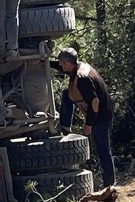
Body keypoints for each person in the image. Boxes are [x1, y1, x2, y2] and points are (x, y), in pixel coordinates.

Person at [56, 48, 116, 188]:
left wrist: (89, 124)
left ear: (67, 64)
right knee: (67, 95)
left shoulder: (82, 78)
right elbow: (60, 66)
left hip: (100, 116)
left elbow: (94, 102)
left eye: (61, 64)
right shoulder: (79, 66)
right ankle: (65, 125)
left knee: (103, 149)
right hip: (100, 112)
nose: (60, 66)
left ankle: (110, 185)